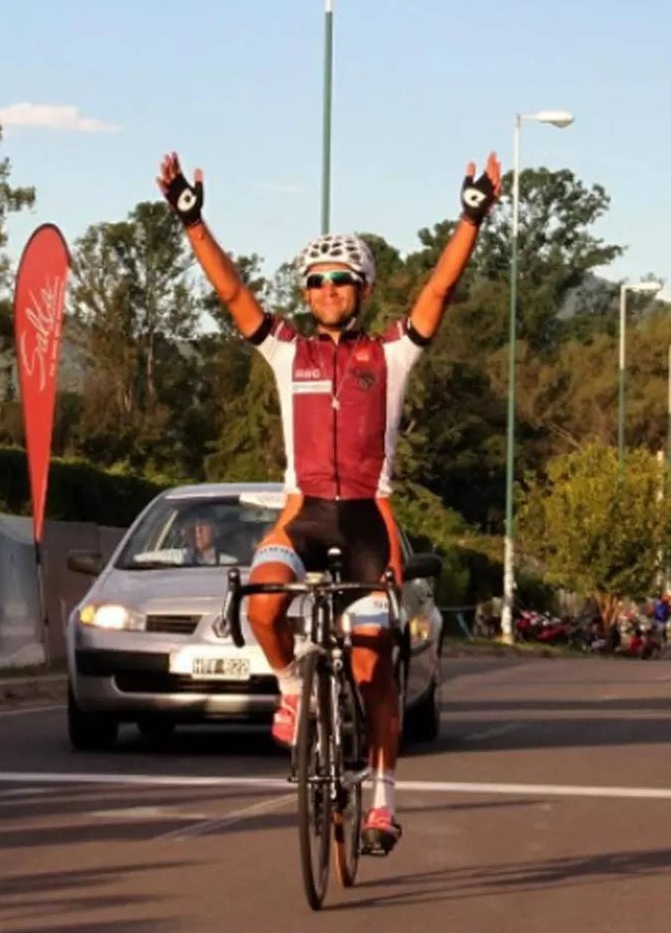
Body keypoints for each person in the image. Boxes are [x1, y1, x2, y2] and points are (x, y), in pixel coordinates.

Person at [157, 150, 501, 853]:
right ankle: (290, 687)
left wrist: (470, 216)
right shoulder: (288, 352)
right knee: (260, 602)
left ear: (362, 289)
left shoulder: (392, 354)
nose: (326, 290)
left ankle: (381, 798)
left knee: (374, 664)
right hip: (304, 513)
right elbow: (233, 297)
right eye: (315, 282)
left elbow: (437, 290)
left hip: (369, 525)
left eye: (340, 280)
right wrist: (193, 222)